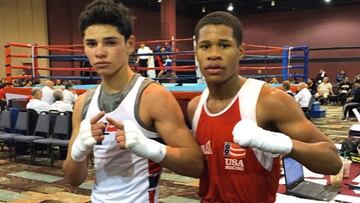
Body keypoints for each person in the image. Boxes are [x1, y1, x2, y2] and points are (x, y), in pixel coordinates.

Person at [187, 11, 342, 203]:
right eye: (205, 46)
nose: (214, 55)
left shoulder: (268, 101)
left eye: (224, 45)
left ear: (240, 51)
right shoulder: (195, 107)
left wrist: (282, 144)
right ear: (196, 54)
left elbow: (333, 162)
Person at [62, 1, 203, 202]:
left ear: (130, 44)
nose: (100, 52)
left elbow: (196, 164)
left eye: (110, 42)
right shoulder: (83, 103)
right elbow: (73, 179)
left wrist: (150, 148)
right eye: (91, 43)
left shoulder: (152, 96)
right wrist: (78, 152)